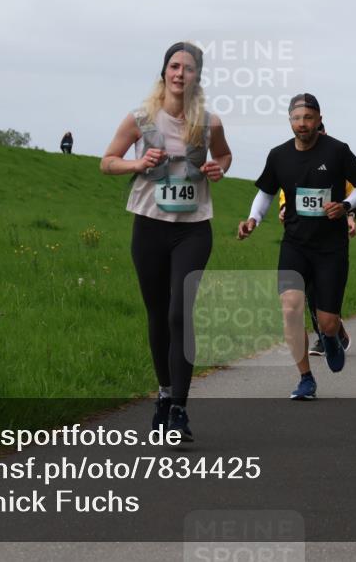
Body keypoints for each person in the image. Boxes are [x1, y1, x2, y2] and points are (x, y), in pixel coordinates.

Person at [101, 41, 232, 441]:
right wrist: (138, 163)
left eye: (188, 68)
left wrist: (217, 168)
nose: (179, 74)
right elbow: (107, 161)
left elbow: (225, 156)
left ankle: (179, 409)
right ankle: (163, 393)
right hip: (149, 226)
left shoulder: (209, 123)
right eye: (174, 66)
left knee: (180, 313)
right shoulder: (141, 118)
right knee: (158, 314)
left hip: (193, 228)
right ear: (164, 72)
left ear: (197, 76)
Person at [238, 93, 356, 400]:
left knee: (327, 321)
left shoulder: (337, 151)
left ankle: (331, 337)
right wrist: (253, 219)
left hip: (331, 247)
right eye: (297, 118)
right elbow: (266, 193)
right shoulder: (278, 155)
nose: (302, 124)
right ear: (290, 121)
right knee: (290, 309)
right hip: (295, 244)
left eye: (308, 118)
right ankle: (305, 379)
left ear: (319, 119)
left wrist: (346, 206)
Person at [277, 123, 355, 358]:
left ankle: (332, 329)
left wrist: (351, 217)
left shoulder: (336, 159)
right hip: (300, 238)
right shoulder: (294, 161)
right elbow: (285, 192)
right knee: (307, 291)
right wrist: (283, 208)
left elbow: (352, 194)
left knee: (324, 292)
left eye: (320, 132)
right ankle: (323, 336)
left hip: (330, 240)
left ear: (324, 133)